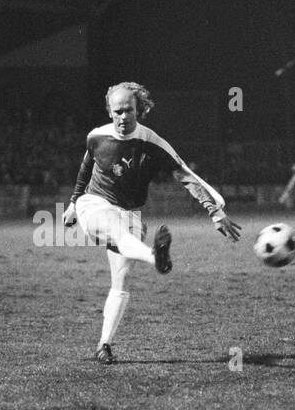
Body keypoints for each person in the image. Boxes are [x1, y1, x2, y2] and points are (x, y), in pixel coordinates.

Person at [62, 82, 241, 363]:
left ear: (139, 110)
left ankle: (104, 345)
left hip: (129, 212)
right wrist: (74, 202)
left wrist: (215, 212)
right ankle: (154, 256)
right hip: (94, 204)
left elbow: (186, 176)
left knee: (120, 282)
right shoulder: (96, 136)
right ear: (109, 110)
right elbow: (87, 167)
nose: (123, 117)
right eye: (117, 111)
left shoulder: (152, 143)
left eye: (129, 111)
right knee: (117, 231)